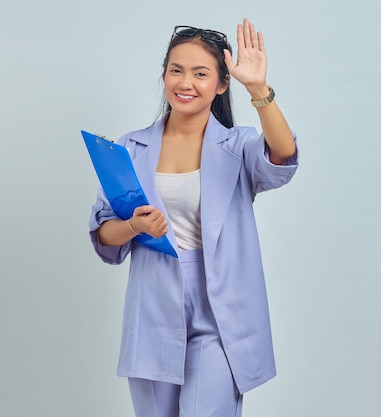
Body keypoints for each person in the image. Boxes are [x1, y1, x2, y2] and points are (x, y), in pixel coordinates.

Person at [89, 18, 298, 417]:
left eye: (200, 73)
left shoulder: (237, 146)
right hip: (153, 305)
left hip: (223, 311)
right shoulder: (129, 148)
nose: (185, 83)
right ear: (164, 75)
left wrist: (258, 89)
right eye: (176, 71)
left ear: (221, 84)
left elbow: (283, 154)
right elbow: (103, 233)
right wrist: (135, 226)